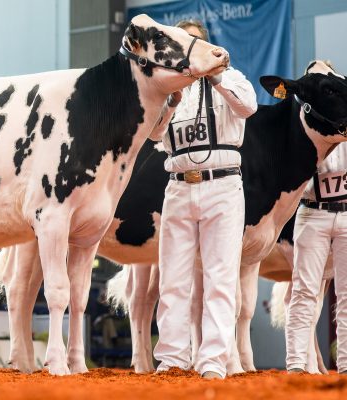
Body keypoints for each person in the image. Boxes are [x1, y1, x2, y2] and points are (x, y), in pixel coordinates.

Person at [150, 19, 257, 379]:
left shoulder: (231, 77)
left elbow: (248, 107)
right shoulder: (169, 88)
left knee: (220, 277)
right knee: (172, 279)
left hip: (222, 184)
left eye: (193, 41)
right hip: (178, 185)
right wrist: (171, 102)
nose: (187, 48)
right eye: (181, 43)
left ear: (206, 47)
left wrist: (216, 75)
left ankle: (212, 362)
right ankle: (172, 359)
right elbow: (153, 134)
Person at [285, 138, 347, 374]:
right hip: (312, 210)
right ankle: (296, 364)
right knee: (304, 291)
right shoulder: (311, 120)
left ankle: (345, 366)